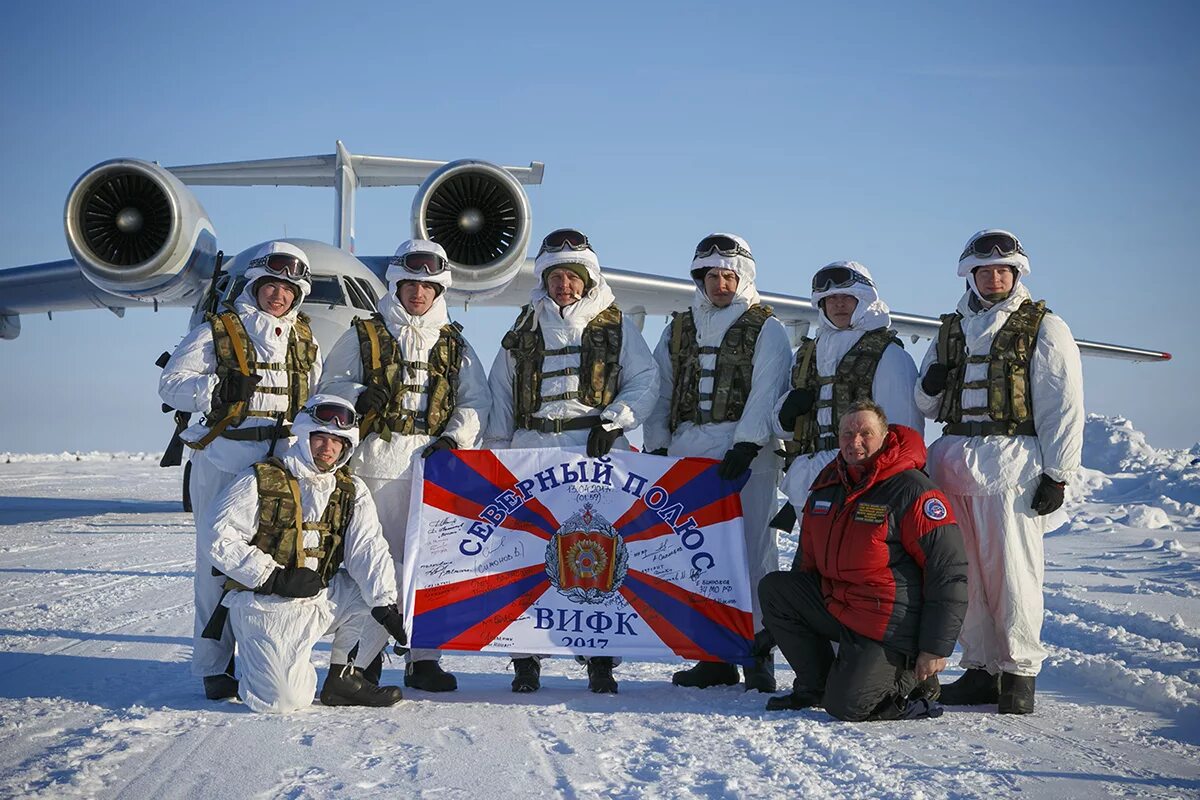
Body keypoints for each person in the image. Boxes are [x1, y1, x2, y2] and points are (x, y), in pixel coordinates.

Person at [484, 228, 659, 694]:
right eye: (557, 276)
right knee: (524, 552)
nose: (565, 284)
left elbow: (645, 380)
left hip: (595, 449)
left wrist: (615, 421)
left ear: (586, 280)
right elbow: (501, 392)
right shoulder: (522, 328)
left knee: (596, 550)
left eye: (572, 276)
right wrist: (497, 454)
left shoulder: (615, 325)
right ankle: (525, 656)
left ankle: (600, 657)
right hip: (532, 449)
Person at [915, 229, 1084, 714]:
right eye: (984, 271)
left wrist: (1058, 473)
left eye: (1003, 270)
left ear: (1016, 274)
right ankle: (981, 668)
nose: (993, 278)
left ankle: (1019, 674)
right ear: (970, 275)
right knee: (963, 571)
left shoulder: (1045, 327)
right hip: (952, 462)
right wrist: (930, 384)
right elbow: (925, 406)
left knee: (1012, 572)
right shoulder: (950, 330)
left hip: (1012, 464)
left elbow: (1064, 407)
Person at [318, 239, 490, 693]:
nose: (418, 293)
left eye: (428, 286)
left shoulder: (455, 343)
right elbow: (328, 387)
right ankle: (361, 659)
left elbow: (476, 401)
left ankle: (424, 658)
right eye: (410, 284)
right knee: (367, 563)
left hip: (430, 467)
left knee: (430, 563)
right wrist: (355, 397)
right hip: (373, 461)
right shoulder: (363, 333)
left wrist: (455, 438)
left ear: (440, 291)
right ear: (396, 285)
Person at [159, 241, 321, 700]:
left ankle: (264, 659)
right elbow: (171, 383)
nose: (279, 296)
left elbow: (313, 399)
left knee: (276, 561)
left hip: (278, 467)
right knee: (215, 567)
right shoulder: (218, 331)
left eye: (288, 289)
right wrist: (215, 388)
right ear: (256, 284)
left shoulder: (305, 340)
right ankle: (213, 667)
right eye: (272, 285)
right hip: (225, 458)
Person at [642, 232, 792, 692]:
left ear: (742, 278)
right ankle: (712, 655)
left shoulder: (767, 326)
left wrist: (747, 443)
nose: (721, 284)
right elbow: (661, 385)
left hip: (747, 457)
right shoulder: (679, 327)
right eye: (712, 276)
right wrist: (658, 444)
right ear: (700, 279)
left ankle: (756, 653)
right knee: (696, 555)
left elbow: (769, 386)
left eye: (729, 275)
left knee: (750, 554)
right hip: (689, 450)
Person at [759, 401, 967, 720]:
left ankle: (913, 678)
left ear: (885, 436)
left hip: (889, 620)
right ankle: (815, 685)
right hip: (842, 605)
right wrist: (779, 627)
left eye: (865, 433)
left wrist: (935, 647)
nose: (854, 441)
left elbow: (948, 572)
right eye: (847, 433)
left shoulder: (913, 490)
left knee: (850, 706)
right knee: (776, 589)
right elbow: (806, 563)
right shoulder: (828, 486)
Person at [206, 395, 409, 713]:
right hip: (267, 605)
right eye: (320, 438)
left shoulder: (351, 489)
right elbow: (217, 538)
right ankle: (263, 667)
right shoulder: (260, 479)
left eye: (337, 441)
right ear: (303, 437)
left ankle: (344, 677)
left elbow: (367, 548)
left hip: (321, 596)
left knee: (391, 583)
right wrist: (273, 577)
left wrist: (385, 604)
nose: (327, 448)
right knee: (286, 701)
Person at [774, 261, 921, 516]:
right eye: (830, 299)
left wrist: (884, 484)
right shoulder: (806, 356)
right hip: (808, 479)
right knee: (813, 554)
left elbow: (903, 431)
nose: (838, 304)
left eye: (846, 297)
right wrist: (785, 416)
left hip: (863, 479)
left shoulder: (889, 356)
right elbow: (780, 428)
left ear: (863, 301)